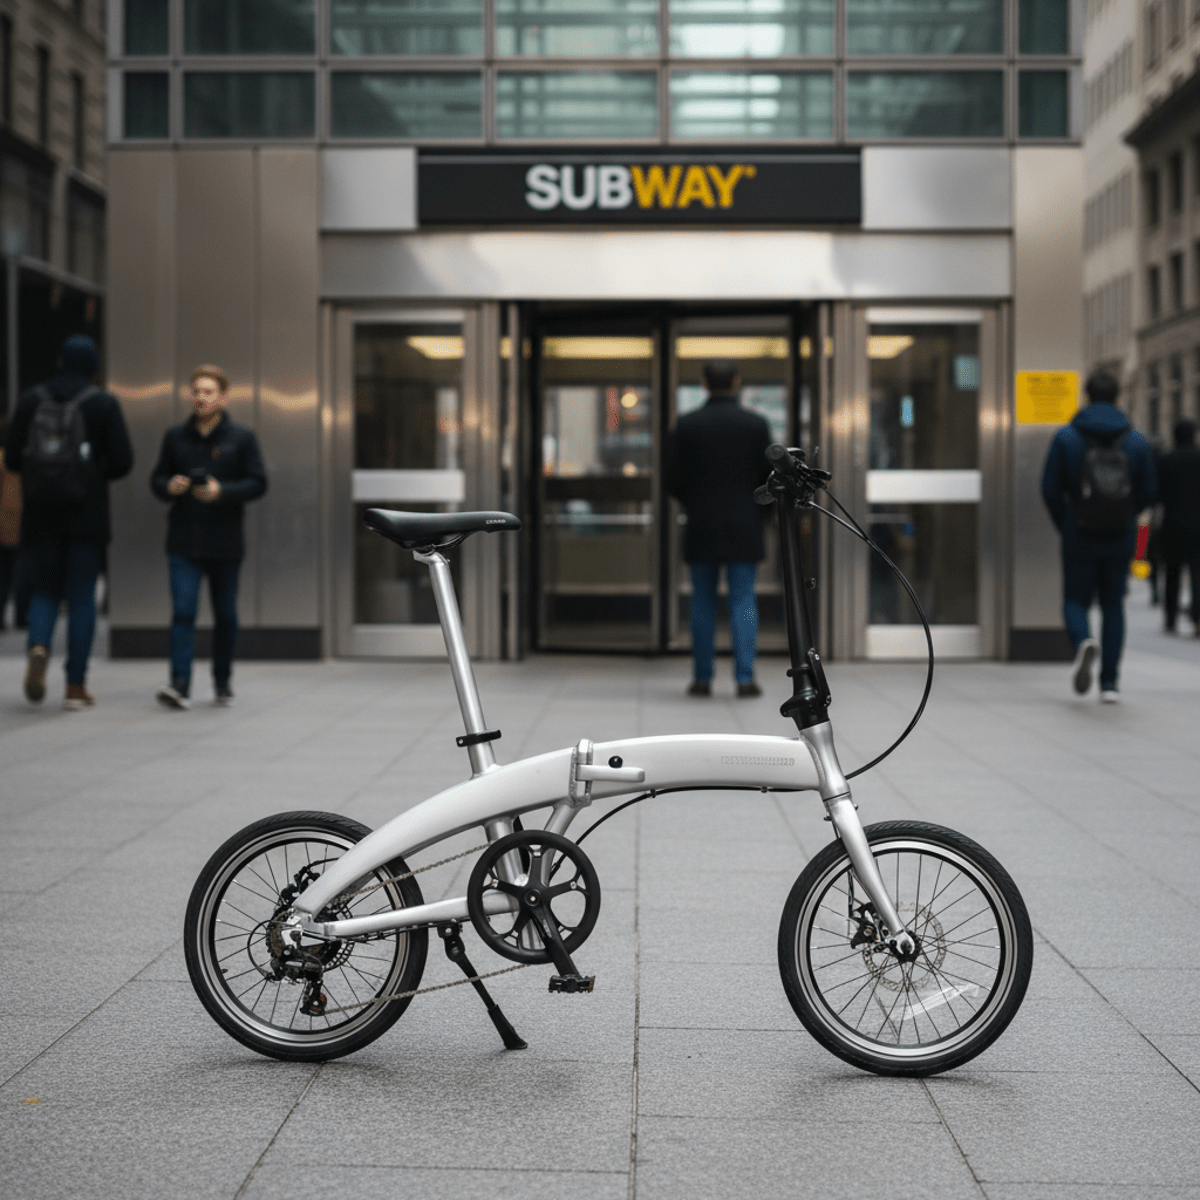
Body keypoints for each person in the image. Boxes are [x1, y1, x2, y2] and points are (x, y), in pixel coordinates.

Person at [2, 335, 134, 708]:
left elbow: (13, 459)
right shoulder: (103, 404)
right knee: (80, 597)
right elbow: (123, 461)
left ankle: (39, 646)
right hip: (86, 518)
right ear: (93, 365)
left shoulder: (31, 401)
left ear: (60, 361)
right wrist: (91, 471)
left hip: (40, 517)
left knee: (44, 591)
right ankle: (75, 686)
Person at [150, 365, 267, 709]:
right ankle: (180, 683)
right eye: (196, 391)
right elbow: (156, 479)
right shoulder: (175, 436)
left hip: (225, 540)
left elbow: (258, 482)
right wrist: (169, 486)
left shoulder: (241, 437)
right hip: (184, 538)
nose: (200, 397)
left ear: (223, 396)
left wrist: (222, 492)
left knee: (225, 614)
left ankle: (222, 680)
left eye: (208, 391)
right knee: (183, 611)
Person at [1041, 370, 1157, 702]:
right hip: (1120, 535)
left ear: (1086, 396)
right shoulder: (1136, 441)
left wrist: (1066, 522)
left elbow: (1050, 488)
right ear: (1118, 397)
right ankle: (1110, 684)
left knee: (1074, 600)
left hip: (1079, 532)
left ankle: (1082, 642)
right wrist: (1127, 514)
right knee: (1112, 604)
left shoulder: (1067, 438)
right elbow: (1150, 491)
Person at [666, 359, 772, 697]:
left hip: (702, 523)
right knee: (744, 600)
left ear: (704, 383)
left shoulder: (687, 425)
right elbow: (768, 478)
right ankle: (745, 678)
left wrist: (694, 503)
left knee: (702, 602)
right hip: (745, 524)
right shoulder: (755, 425)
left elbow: (673, 479)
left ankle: (702, 678)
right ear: (737, 382)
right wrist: (757, 513)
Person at [1157, 416, 1200, 634]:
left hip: (1172, 522)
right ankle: (1197, 618)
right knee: (1197, 572)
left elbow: (1156, 493)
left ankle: (1170, 619)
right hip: (1198, 525)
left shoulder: (1166, 459)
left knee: (1172, 572)